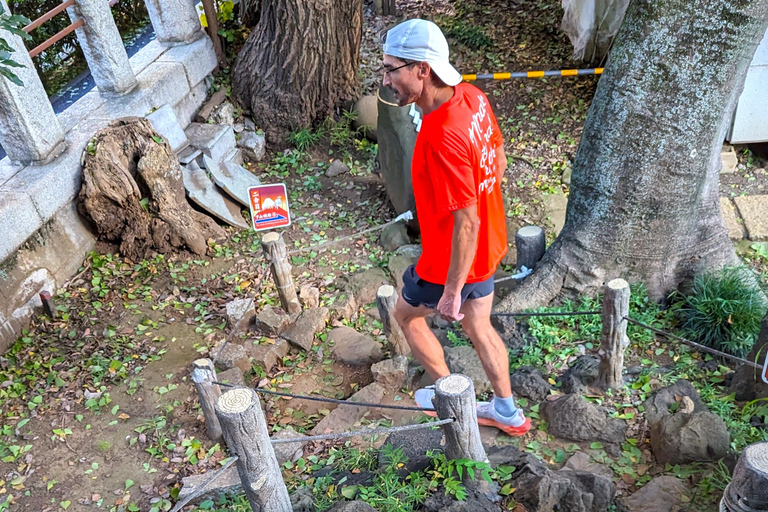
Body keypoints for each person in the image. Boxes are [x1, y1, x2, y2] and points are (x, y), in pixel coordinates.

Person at [382, 19, 530, 436]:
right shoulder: (473, 97)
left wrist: (450, 291)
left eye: (392, 69)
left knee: (407, 315)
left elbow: (465, 223)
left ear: (421, 70)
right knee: (479, 326)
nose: (387, 79)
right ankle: (506, 410)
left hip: (451, 261)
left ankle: (447, 393)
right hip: (488, 249)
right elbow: (497, 158)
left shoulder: (440, 134)